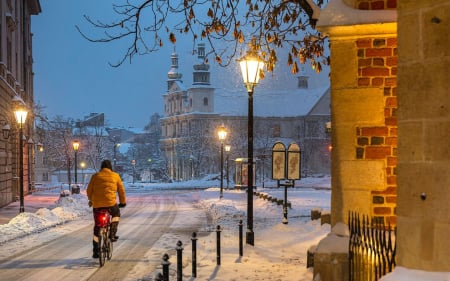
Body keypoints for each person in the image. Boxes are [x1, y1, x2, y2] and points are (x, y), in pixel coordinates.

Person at [87, 159, 126, 258]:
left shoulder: (95, 176)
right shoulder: (115, 176)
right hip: (110, 204)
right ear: (110, 167)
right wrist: (122, 202)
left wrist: (91, 200)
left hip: (97, 205)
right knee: (116, 215)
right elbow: (121, 191)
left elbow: (89, 190)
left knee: (97, 226)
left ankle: (96, 251)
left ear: (101, 167)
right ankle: (112, 234)